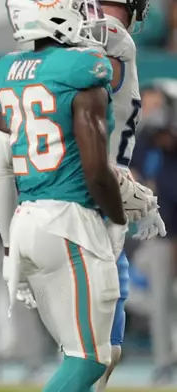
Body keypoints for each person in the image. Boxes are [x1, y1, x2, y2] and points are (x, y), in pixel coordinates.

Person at [0, 0, 154, 390]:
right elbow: (96, 171)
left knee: (89, 351)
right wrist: (117, 219)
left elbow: (0, 167)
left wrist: (10, 245)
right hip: (75, 221)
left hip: (28, 219)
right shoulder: (86, 69)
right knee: (90, 359)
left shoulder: (8, 71)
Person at [95, 1, 168, 389]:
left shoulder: (108, 39)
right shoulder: (115, 41)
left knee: (106, 350)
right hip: (90, 201)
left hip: (103, 202)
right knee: (90, 351)